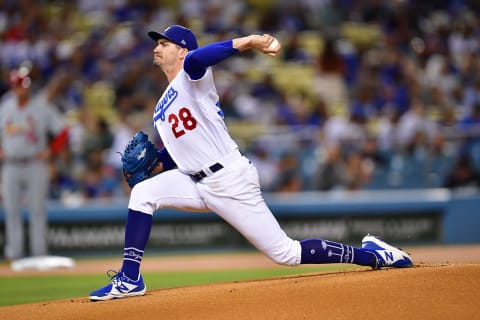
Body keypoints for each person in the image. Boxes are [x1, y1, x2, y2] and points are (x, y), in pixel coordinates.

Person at [89, 25, 413, 301]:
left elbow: (201, 57)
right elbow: (179, 152)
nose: (157, 48)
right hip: (194, 180)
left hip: (229, 179)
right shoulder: (161, 105)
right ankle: (130, 278)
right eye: (157, 44)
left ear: (183, 51)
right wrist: (157, 163)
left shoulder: (193, 76)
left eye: (164, 43)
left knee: (286, 254)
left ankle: (373, 255)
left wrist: (249, 41)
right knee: (143, 193)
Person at [0, 65, 69, 262]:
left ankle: (39, 254)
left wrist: (51, 151)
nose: (22, 89)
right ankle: (14, 254)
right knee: (11, 209)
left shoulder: (41, 107)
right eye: (19, 86)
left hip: (34, 163)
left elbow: (63, 131)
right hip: (11, 164)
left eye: (25, 85)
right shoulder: (5, 107)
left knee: (37, 209)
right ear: (13, 87)